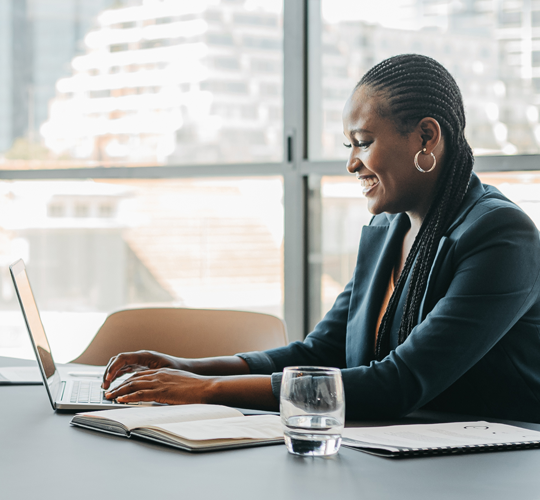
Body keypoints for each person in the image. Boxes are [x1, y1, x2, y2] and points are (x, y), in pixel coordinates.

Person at [102, 54, 540, 422]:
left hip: (490, 467)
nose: (351, 164)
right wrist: (187, 368)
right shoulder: (391, 228)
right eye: (348, 145)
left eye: (363, 143)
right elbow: (324, 350)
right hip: (396, 451)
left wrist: (208, 389)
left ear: (426, 136)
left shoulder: (502, 238)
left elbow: (399, 383)